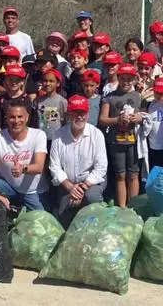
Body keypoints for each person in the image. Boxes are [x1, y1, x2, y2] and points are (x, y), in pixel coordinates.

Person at [48, 95, 108, 227]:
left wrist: (82, 187)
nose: (80, 116)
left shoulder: (97, 134)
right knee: (64, 218)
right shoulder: (58, 135)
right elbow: (55, 167)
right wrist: (70, 187)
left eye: (83, 113)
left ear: (88, 114)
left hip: (91, 183)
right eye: (76, 113)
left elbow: (101, 167)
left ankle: (97, 226)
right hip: (68, 184)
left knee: (92, 197)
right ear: (69, 114)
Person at [0, 100, 50, 211]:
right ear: (6, 119)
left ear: (27, 117)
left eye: (20, 116)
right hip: (8, 187)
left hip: (32, 191)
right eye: (12, 117)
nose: (16, 121)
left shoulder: (38, 135)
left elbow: (39, 167)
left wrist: (23, 168)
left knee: (43, 222)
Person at [100, 63, 143, 207]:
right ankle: (122, 208)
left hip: (134, 142)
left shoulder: (137, 96)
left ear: (134, 80)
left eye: (129, 79)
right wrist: (117, 120)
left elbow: (144, 116)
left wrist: (139, 118)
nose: (126, 82)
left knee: (133, 174)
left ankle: (133, 208)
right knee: (120, 175)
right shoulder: (109, 97)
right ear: (118, 78)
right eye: (123, 79)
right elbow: (102, 119)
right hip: (116, 142)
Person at [0, 65, 39, 132]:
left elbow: (29, 121)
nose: (14, 82)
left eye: (17, 80)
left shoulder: (26, 99)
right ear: (6, 80)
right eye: (11, 79)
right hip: (5, 134)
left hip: (21, 134)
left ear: (22, 82)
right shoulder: (2, 99)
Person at [36, 68, 67, 139]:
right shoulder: (37, 100)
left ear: (58, 83)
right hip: (40, 139)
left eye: (51, 81)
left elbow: (64, 121)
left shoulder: (61, 101)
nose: (47, 84)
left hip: (55, 138)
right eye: (45, 81)